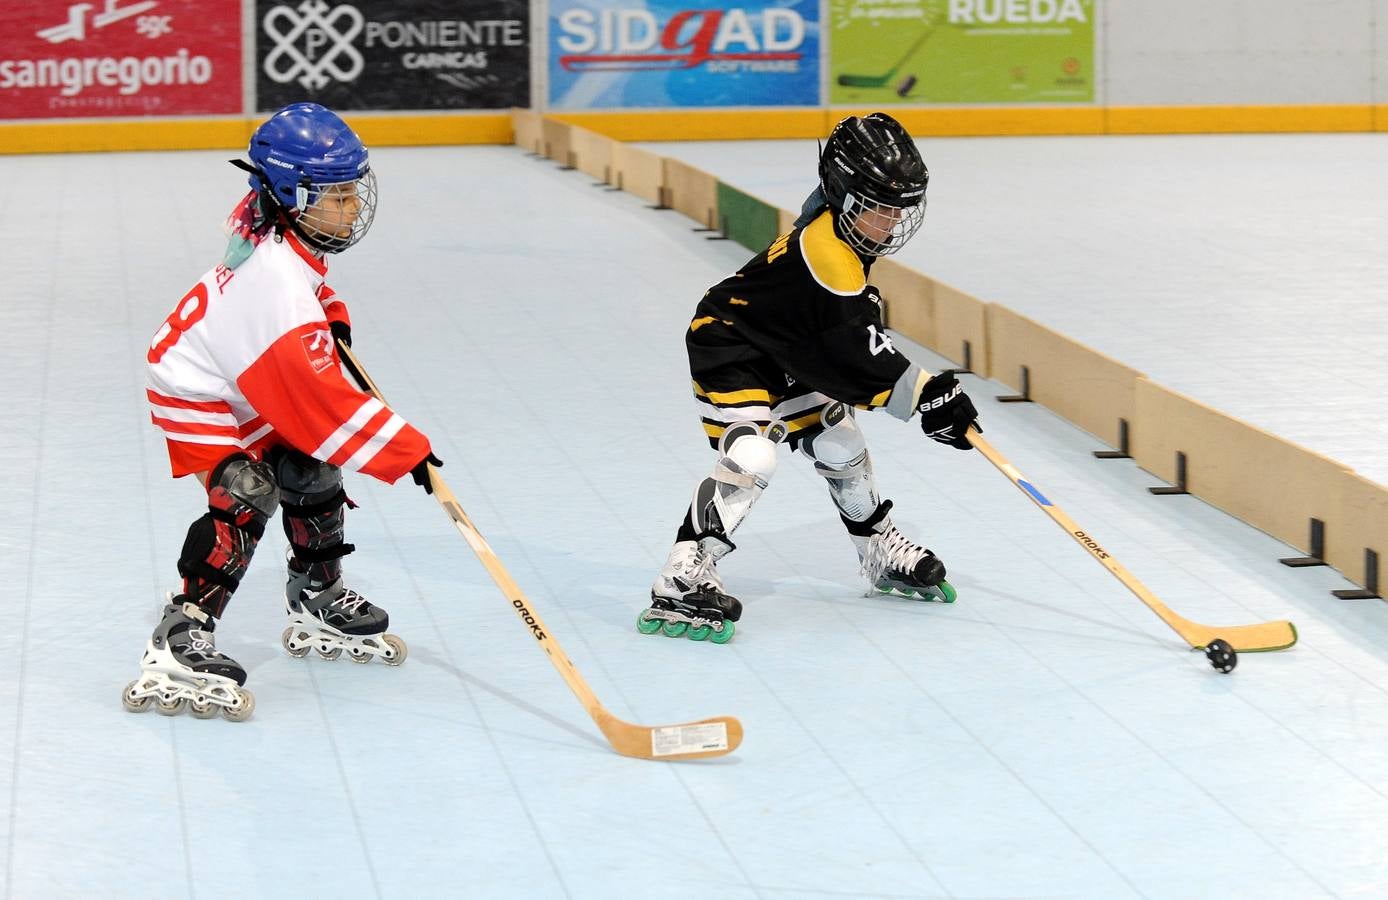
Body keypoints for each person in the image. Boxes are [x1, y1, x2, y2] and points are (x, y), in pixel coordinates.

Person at [122, 102, 441, 720]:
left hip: (240, 369)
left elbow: (310, 286)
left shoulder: (279, 234)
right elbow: (318, 405)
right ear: (293, 194)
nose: (351, 208)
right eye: (336, 195)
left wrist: (334, 316)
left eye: (352, 192)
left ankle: (316, 594)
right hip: (194, 385)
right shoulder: (273, 290)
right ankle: (181, 636)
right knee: (247, 490)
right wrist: (408, 454)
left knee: (312, 466)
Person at [638, 112, 981, 645]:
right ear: (845, 196)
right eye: (879, 209)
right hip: (730, 342)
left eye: (898, 210)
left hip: (790, 343)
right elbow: (859, 351)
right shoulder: (827, 253)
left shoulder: (841, 225)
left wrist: (925, 396)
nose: (891, 224)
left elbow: (845, 344)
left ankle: (877, 551)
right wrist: (929, 398)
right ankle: (684, 573)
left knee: (840, 442)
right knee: (753, 456)